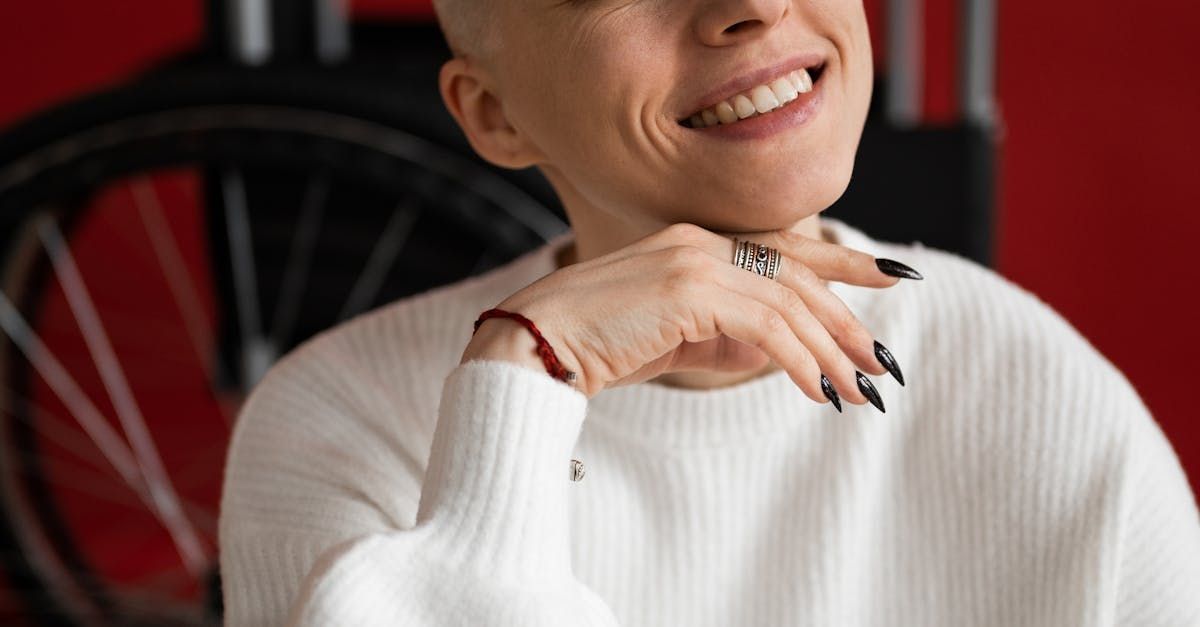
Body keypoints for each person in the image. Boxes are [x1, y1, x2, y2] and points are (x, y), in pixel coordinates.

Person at [218, 0, 1200, 625]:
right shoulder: (336, 423)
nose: (752, 7)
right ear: (493, 113)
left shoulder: (1034, 388)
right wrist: (520, 388)